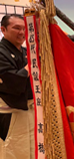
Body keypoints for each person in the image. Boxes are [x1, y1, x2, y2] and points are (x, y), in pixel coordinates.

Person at [0, 14, 34, 159]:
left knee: (31, 151)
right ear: (3, 29)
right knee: (12, 152)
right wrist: (32, 64)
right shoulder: (1, 52)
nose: (21, 32)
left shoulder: (27, 52)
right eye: (16, 28)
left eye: (24, 28)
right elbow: (12, 83)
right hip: (10, 113)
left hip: (30, 110)